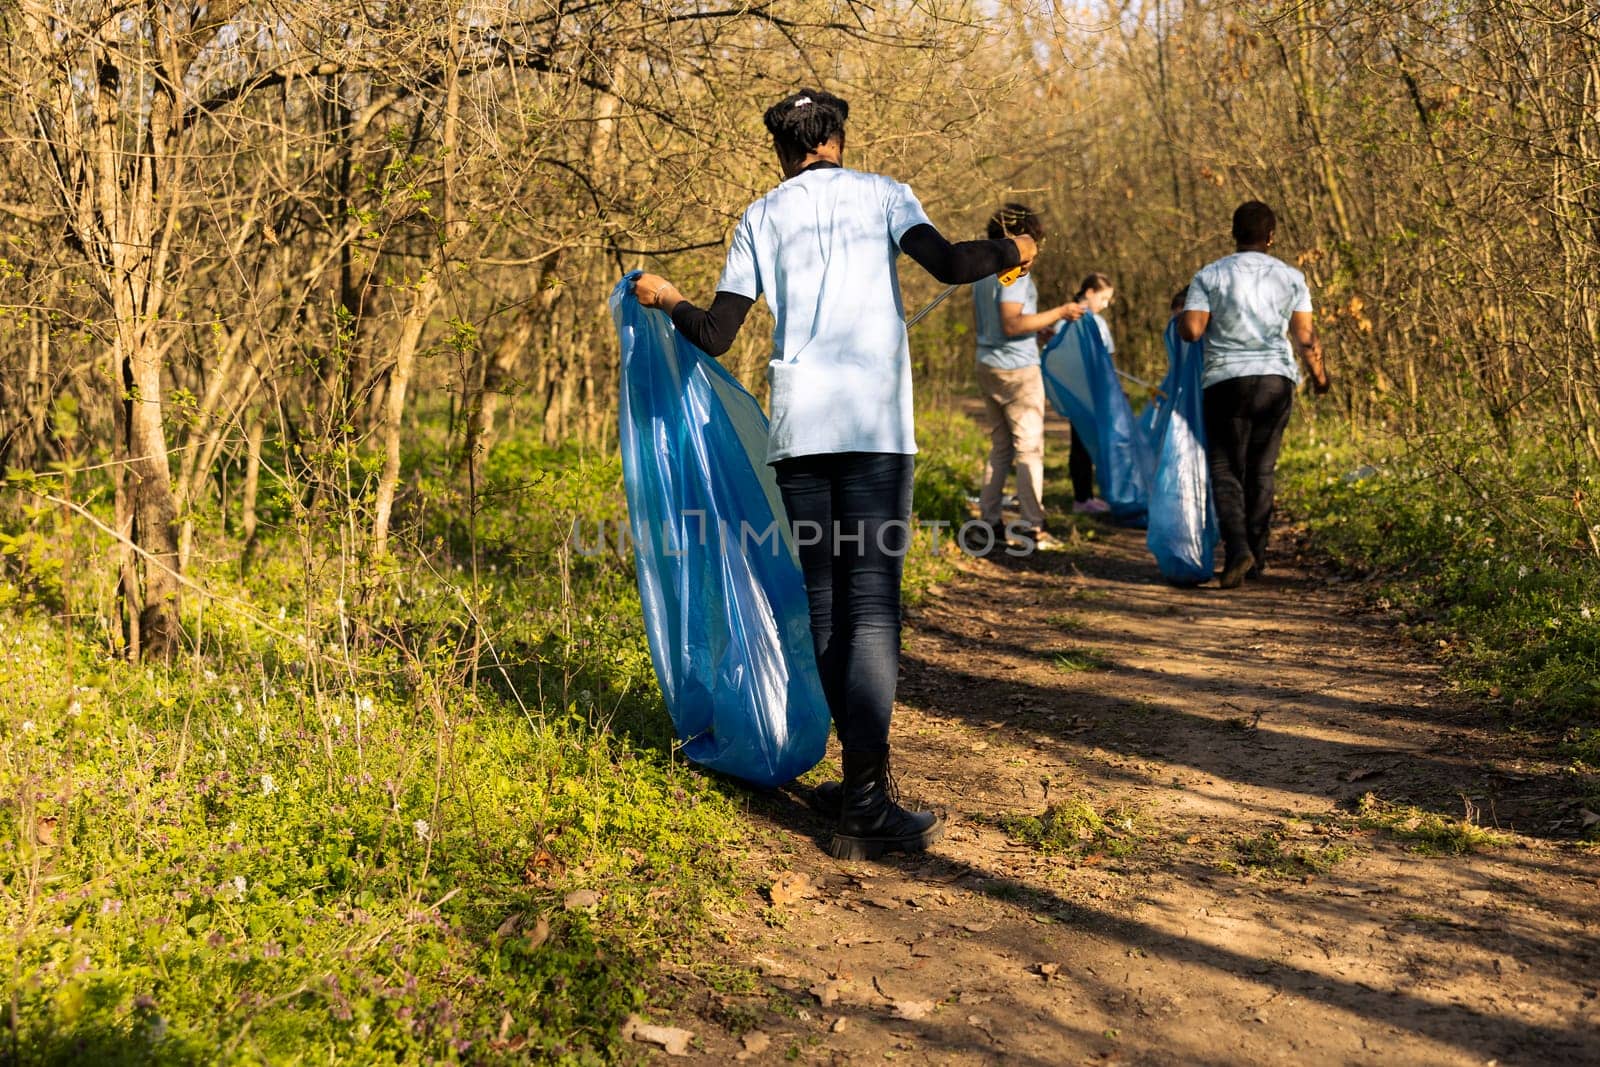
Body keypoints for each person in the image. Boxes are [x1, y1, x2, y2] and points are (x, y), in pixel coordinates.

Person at [631, 89, 1037, 860]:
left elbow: (716, 334)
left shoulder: (760, 216)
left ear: (781, 151)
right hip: (876, 431)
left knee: (827, 610)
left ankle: (859, 788)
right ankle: (864, 799)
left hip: (802, 437)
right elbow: (951, 262)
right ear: (840, 139)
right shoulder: (884, 194)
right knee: (872, 609)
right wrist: (1012, 252)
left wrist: (667, 297)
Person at [1177, 201, 1330, 589]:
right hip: (1276, 381)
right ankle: (1257, 557)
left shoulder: (1210, 275)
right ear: (1272, 236)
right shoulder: (1291, 278)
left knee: (1226, 468)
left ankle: (1238, 549)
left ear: (1233, 233)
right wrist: (1320, 377)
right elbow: (1306, 336)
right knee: (1262, 469)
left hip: (1226, 381)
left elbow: (1193, 331)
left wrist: (1183, 317)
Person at [972, 204, 1086, 549]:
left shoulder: (981, 270)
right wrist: (1061, 311)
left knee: (1001, 448)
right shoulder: (1013, 270)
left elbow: (999, 323)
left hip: (988, 362)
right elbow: (1011, 321)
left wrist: (1037, 331)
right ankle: (1033, 526)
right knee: (1029, 449)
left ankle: (989, 521)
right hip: (1016, 370)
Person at [1065, 273, 1117, 515]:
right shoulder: (1071, 318)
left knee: (1093, 443)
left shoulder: (1098, 322)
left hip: (1099, 391)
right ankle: (1081, 497)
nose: (1105, 304)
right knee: (1081, 443)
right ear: (1089, 292)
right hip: (1080, 392)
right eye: (1103, 298)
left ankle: (1090, 495)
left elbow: (1108, 357)